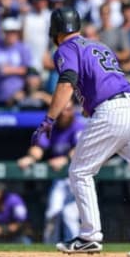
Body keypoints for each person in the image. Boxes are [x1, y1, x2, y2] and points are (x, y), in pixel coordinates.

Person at [31, 7, 130, 257]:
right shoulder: (99, 45)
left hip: (113, 111)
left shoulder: (65, 48)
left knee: (79, 171)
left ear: (54, 31)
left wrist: (50, 118)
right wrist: (89, 105)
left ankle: (89, 235)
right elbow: (102, 79)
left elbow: (67, 80)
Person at [18, 101, 83, 243]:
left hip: (80, 178)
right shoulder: (51, 127)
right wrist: (30, 158)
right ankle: (49, 250)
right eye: (63, 110)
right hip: (60, 179)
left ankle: (76, 248)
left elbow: (80, 149)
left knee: (69, 215)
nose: (66, 113)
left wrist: (65, 159)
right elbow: (39, 147)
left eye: (69, 110)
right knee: (52, 213)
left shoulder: (78, 126)